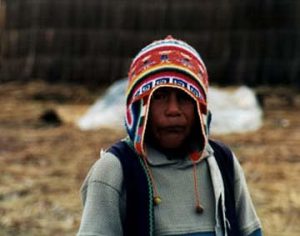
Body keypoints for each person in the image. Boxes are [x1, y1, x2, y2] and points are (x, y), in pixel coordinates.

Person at [77, 36, 263, 236]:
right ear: (139, 106)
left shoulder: (222, 162)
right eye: (159, 96)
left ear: (200, 107)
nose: (173, 110)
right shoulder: (115, 171)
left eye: (185, 97)